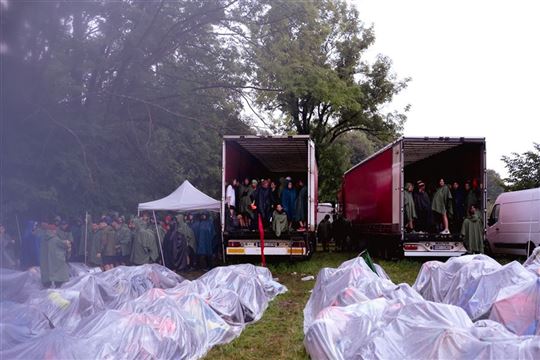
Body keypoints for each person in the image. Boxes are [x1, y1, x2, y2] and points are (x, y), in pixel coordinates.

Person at [47, 224, 70, 288]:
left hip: (52, 258)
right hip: (58, 259)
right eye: (54, 230)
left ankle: (56, 285)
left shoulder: (48, 239)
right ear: (53, 231)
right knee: (60, 276)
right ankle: (59, 288)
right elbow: (63, 245)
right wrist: (67, 243)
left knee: (55, 274)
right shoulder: (55, 238)